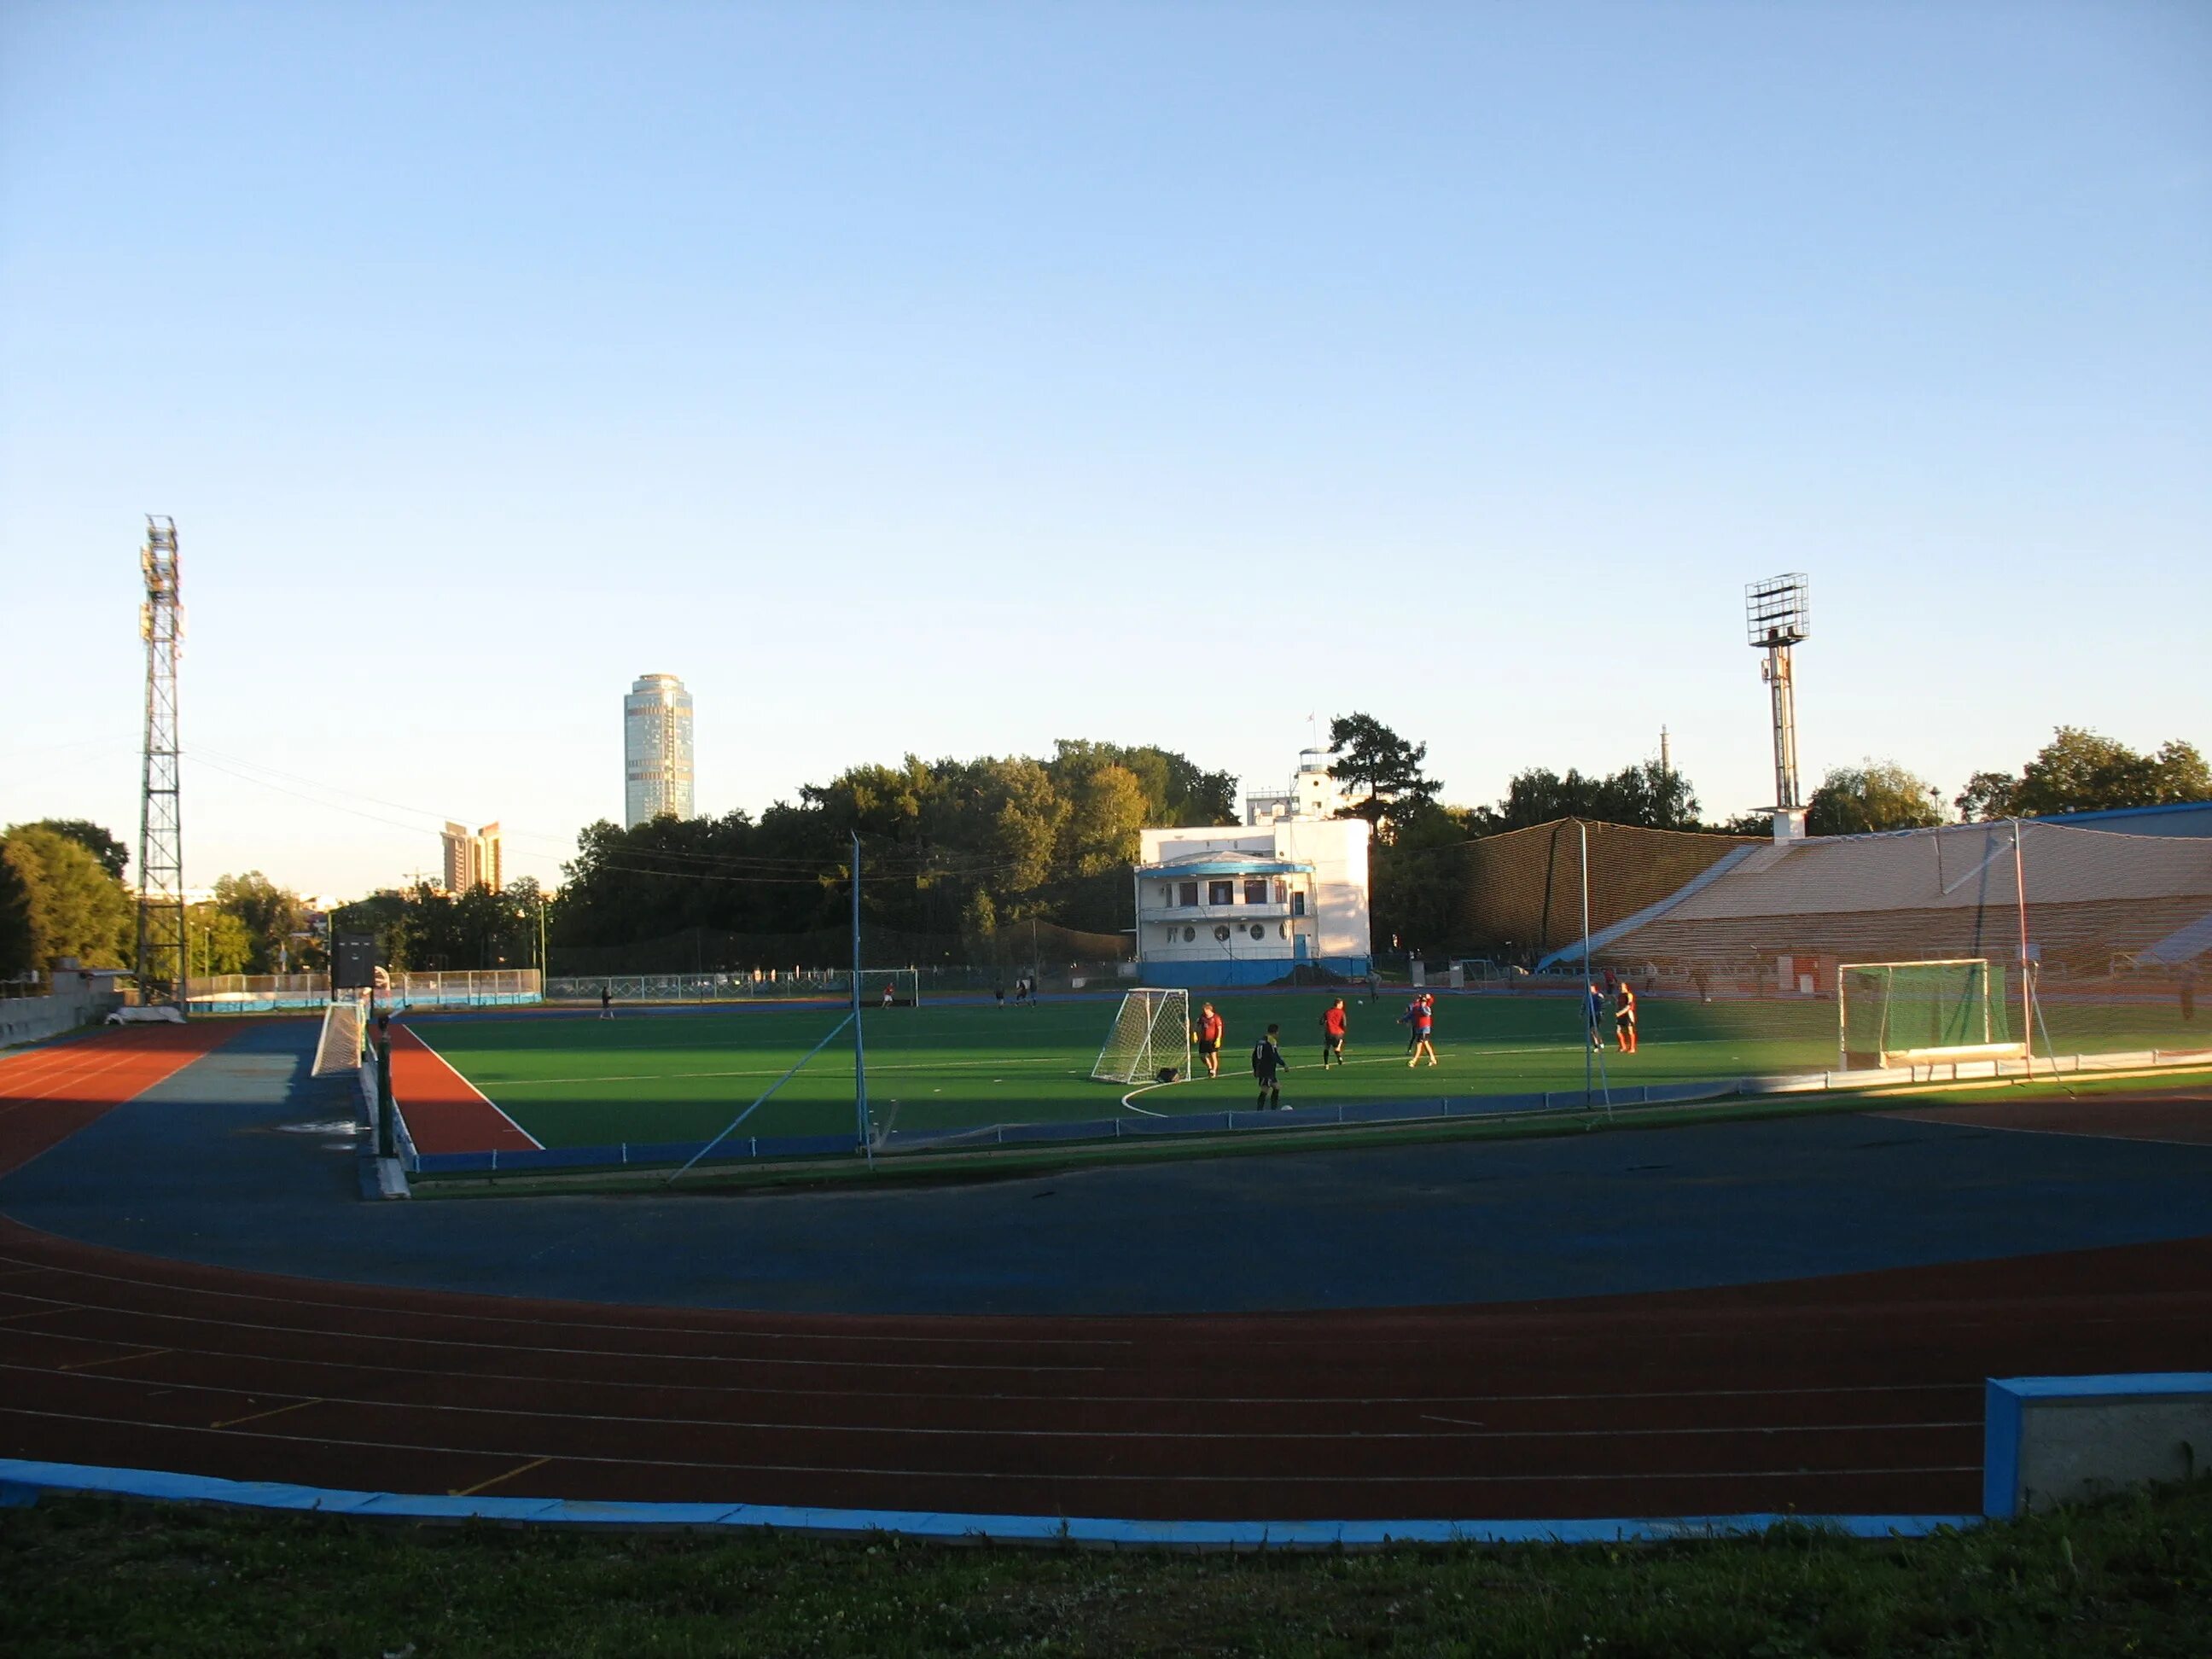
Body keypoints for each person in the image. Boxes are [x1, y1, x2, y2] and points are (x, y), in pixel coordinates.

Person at [1251, 1022, 1286, 1109]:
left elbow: (1254, 1056)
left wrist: (1255, 1068)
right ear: (1276, 1032)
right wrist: (1283, 1064)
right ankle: (1261, 1110)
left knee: (1277, 1087)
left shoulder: (1260, 1040)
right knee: (1265, 1090)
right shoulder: (1271, 1041)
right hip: (1267, 1069)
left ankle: (1272, 1109)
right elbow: (1274, 1055)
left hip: (1263, 1068)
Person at [1192, 1002, 1225, 1078]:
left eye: (1204, 1009)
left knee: (1213, 1056)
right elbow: (1196, 1025)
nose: (1203, 1011)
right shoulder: (1202, 1017)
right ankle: (1210, 1068)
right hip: (1203, 1040)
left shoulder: (1216, 1017)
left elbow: (1219, 1029)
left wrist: (1218, 1038)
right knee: (1202, 1056)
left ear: (1209, 1009)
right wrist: (1194, 1033)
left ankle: (1214, 1071)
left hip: (1212, 1040)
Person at [1407, 993, 1437, 1068]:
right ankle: (1433, 1059)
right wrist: (1402, 1020)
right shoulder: (1416, 1007)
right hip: (1419, 1028)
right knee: (1426, 1044)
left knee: (1419, 1044)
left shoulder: (1426, 1007)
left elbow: (1427, 1012)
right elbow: (1410, 1015)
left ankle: (1414, 1061)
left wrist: (1429, 997)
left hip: (1425, 1028)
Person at [1319, 998, 1348, 1067]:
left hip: (1329, 1033)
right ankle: (1339, 1057)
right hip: (1338, 1034)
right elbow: (1344, 1024)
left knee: (1327, 1047)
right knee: (1337, 1048)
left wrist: (1326, 1022)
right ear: (1338, 1004)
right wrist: (1343, 1031)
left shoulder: (1328, 1011)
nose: (1342, 1006)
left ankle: (1326, 1064)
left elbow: (1321, 1022)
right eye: (1341, 1004)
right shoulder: (1341, 1012)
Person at [1614, 981, 1639, 1053]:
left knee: (1630, 1031)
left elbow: (1629, 1006)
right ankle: (1623, 1046)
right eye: (1620, 986)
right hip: (1620, 1016)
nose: (1620, 988)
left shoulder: (1629, 995)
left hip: (1628, 1015)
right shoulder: (1619, 995)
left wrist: (1620, 1013)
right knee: (1618, 1031)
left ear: (1626, 987)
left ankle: (1632, 1048)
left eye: (1622, 986)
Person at [1584, 983, 1605, 1051]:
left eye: (1591, 988)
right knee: (1591, 1031)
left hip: (1597, 1014)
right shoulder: (1589, 996)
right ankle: (1596, 1046)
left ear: (1594, 988)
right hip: (1591, 1015)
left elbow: (1602, 1002)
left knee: (1595, 1029)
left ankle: (1601, 1043)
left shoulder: (1598, 995)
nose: (1590, 989)